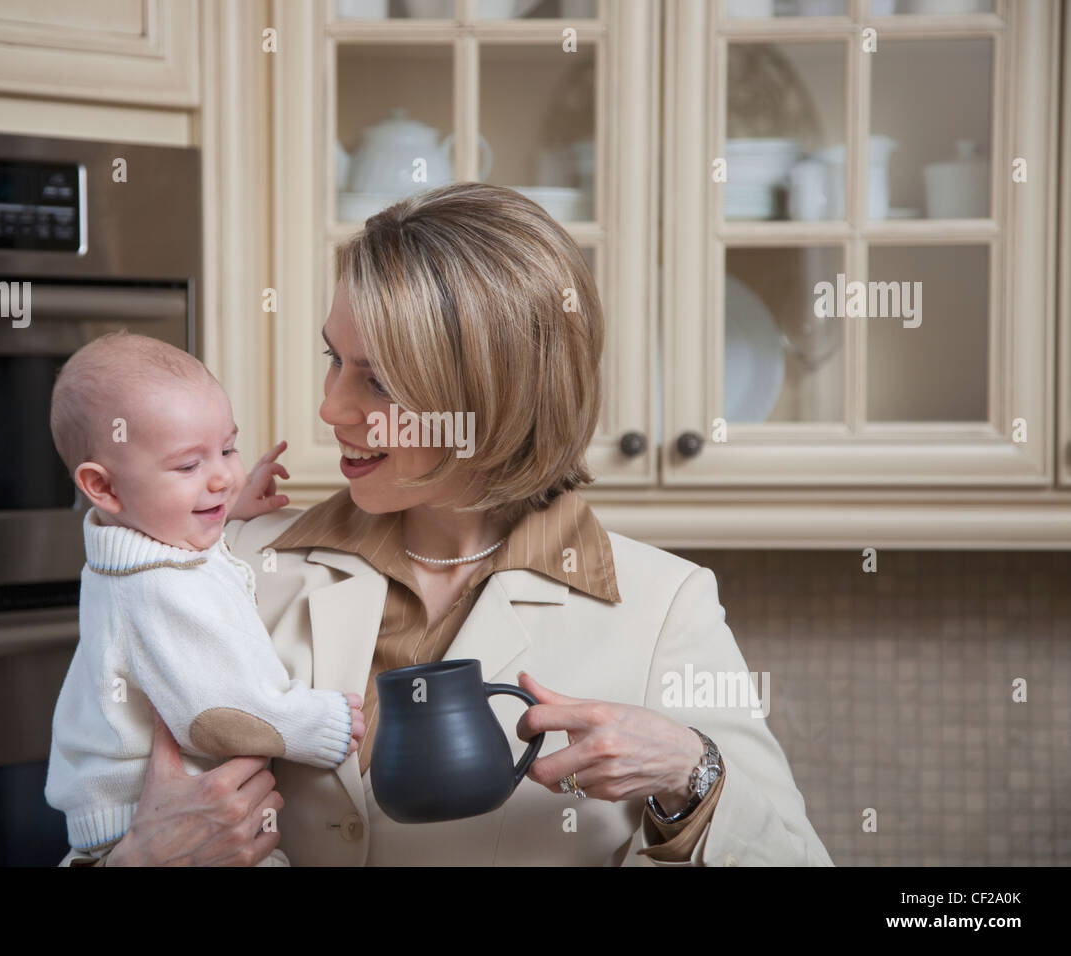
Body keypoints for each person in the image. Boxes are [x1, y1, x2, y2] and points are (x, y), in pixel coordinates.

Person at [61, 181, 832, 866]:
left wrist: (691, 775)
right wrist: (141, 859)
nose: (330, 408)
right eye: (333, 359)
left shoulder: (666, 606)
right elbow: (102, 793)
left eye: (379, 381)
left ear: (493, 400)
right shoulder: (212, 565)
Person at [43, 331, 365, 866]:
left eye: (228, 449)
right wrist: (321, 724)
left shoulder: (138, 541)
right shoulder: (158, 588)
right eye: (189, 466)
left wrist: (225, 507)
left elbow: (181, 543)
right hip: (161, 814)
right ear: (104, 488)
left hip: (123, 820)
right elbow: (217, 712)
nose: (221, 475)